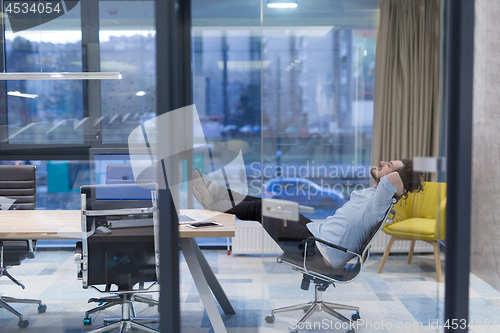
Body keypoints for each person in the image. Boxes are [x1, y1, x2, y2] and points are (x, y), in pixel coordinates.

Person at [192, 159, 424, 269]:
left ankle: (214, 200)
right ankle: (216, 193)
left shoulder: (381, 203)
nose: (383, 162)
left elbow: (394, 180)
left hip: (316, 249)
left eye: (389, 164)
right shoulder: (375, 195)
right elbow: (391, 179)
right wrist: (392, 171)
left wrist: (403, 174)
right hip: (315, 233)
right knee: (270, 203)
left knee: (261, 209)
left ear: (394, 183)